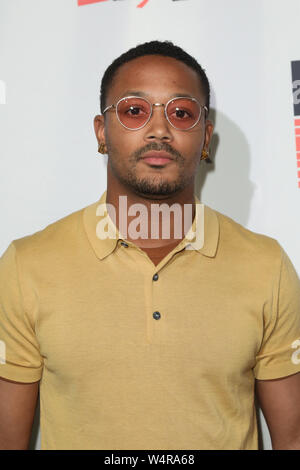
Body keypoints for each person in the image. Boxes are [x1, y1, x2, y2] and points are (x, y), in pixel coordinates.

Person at [0, 40, 300, 451]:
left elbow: (293, 438)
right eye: (135, 111)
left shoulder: (266, 265)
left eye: (181, 113)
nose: (159, 130)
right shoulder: (26, 265)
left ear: (206, 136)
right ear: (102, 131)